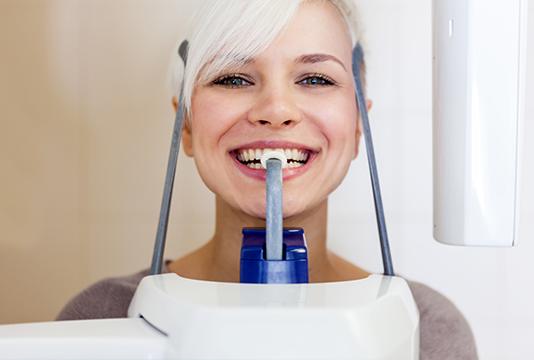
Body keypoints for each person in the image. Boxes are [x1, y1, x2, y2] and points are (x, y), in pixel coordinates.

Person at [57, 1, 478, 358]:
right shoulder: (100, 318)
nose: (276, 110)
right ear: (185, 126)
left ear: (356, 127)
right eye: (233, 78)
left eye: (315, 79)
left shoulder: (428, 330)